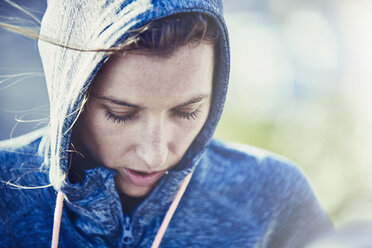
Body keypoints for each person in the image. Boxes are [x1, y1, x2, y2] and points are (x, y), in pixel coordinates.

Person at [0, 0, 333, 247]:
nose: (155, 155)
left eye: (186, 112)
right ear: (71, 91)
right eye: (121, 113)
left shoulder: (272, 198)